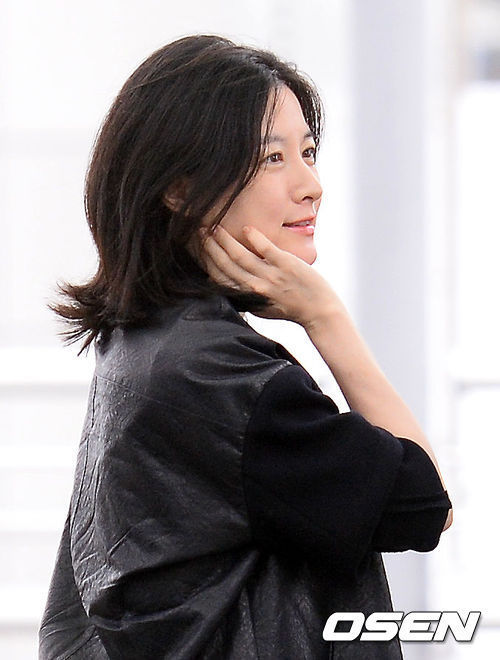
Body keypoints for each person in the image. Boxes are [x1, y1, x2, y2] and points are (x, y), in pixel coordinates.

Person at [39, 35, 452, 660]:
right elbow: (425, 504)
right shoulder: (224, 377)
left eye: (308, 152)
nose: (310, 185)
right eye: (272, 158)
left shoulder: (146, 342)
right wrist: (326, 318)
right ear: (180, 189)